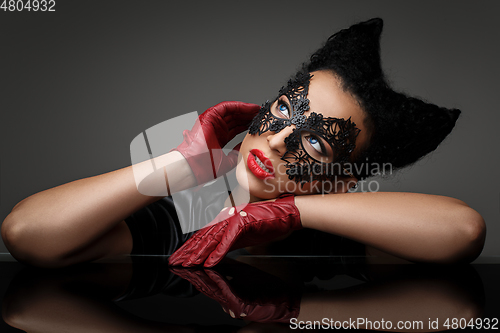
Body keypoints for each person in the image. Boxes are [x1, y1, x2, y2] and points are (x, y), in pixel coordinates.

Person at [1, 18, 485, 268]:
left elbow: (462, 232)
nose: (276, 141)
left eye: (316, 146)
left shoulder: (338, 242)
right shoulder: (186, 217)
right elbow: (25, 235)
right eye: (281, 111)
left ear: (340, 179)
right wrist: (177, 163)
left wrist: (293, 213)